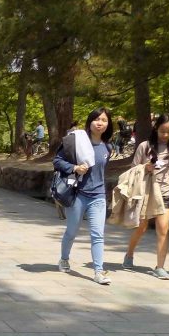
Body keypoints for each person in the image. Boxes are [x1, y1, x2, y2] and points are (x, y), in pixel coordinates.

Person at [54, 107, 114, 286]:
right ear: (90, 122)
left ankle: (98, 271)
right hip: (78, 194)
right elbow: (57, 160)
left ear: (108, 123)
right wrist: (74, 168)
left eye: (103, 120)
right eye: (96, 119)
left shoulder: (107, 146)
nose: (100, 123)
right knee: (71, 231)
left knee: (98, 234)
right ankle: (64, 259)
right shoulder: (77, 141)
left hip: (98, 196)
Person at [123, 113, 169, 279]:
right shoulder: (144, 146)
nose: (166, 135)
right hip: (146, 190)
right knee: (142, 227)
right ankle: (129, 254)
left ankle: (160, 266)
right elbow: (133, 169)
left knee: (163, 228)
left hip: (165, 191)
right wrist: (146, 168)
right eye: (162, 131)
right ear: (156, 128)